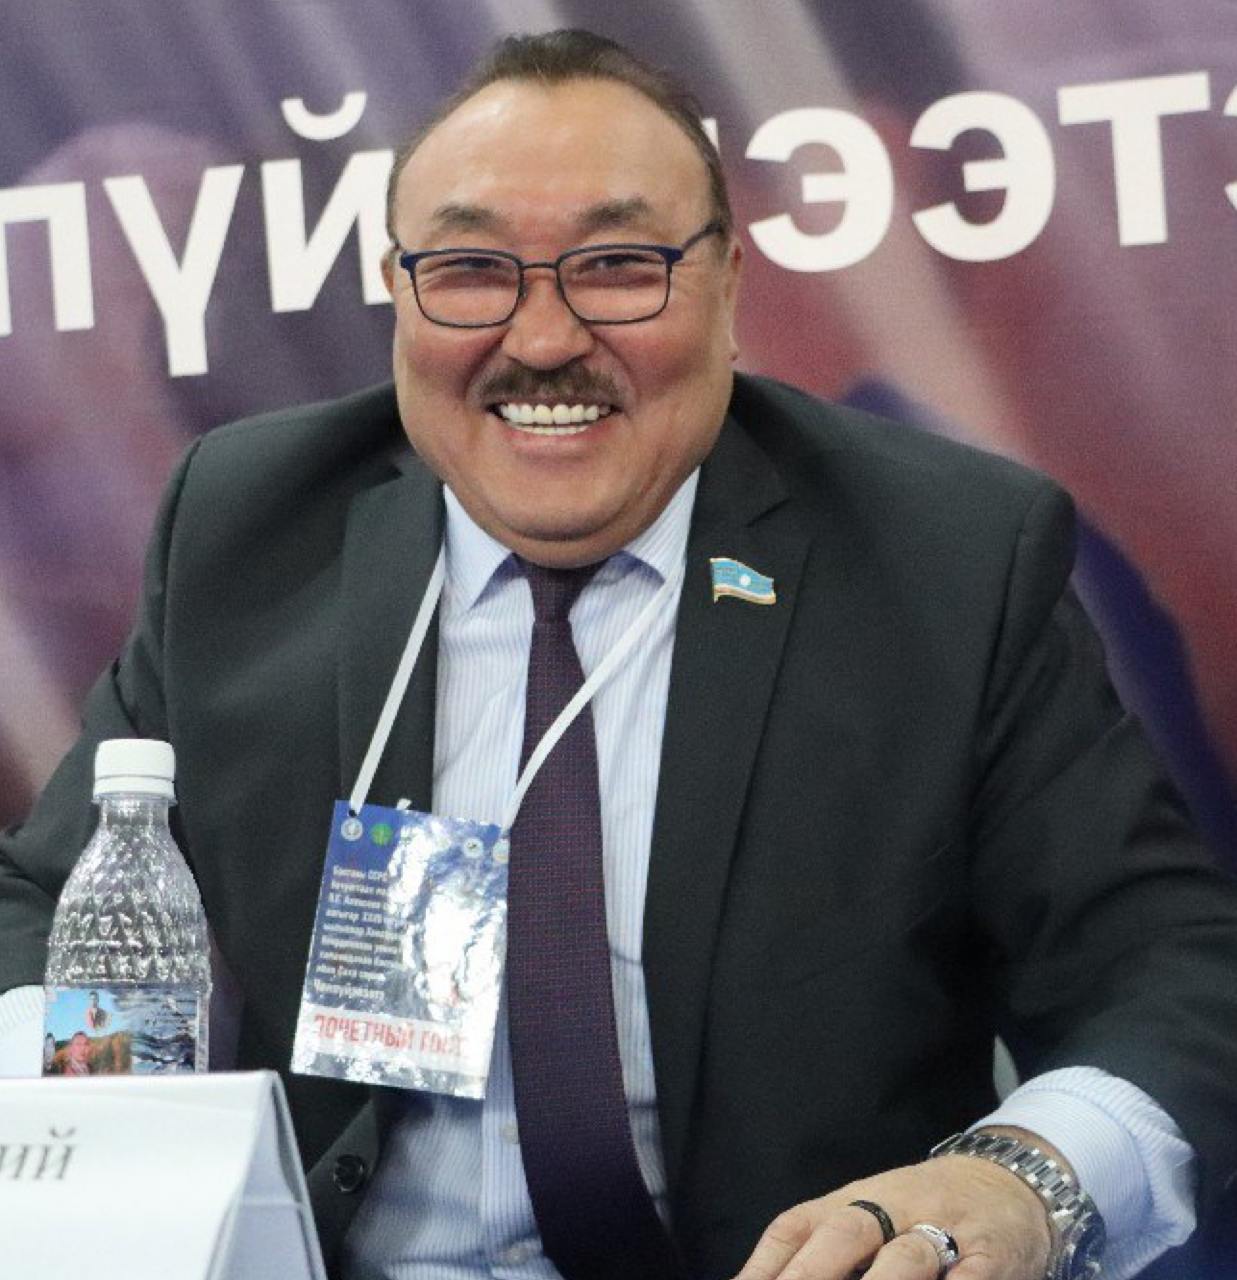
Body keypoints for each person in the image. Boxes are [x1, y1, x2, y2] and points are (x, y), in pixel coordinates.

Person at [1, 27, 1236, 1280]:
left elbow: (1164, 964)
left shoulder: (942, 555)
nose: (542, 338)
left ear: (726, 284)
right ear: (398, 290)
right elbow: (50, 900)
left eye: (617, 265)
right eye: (472, 269)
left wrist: (1017, 1177)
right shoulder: (253, 523)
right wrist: (103, 1134)